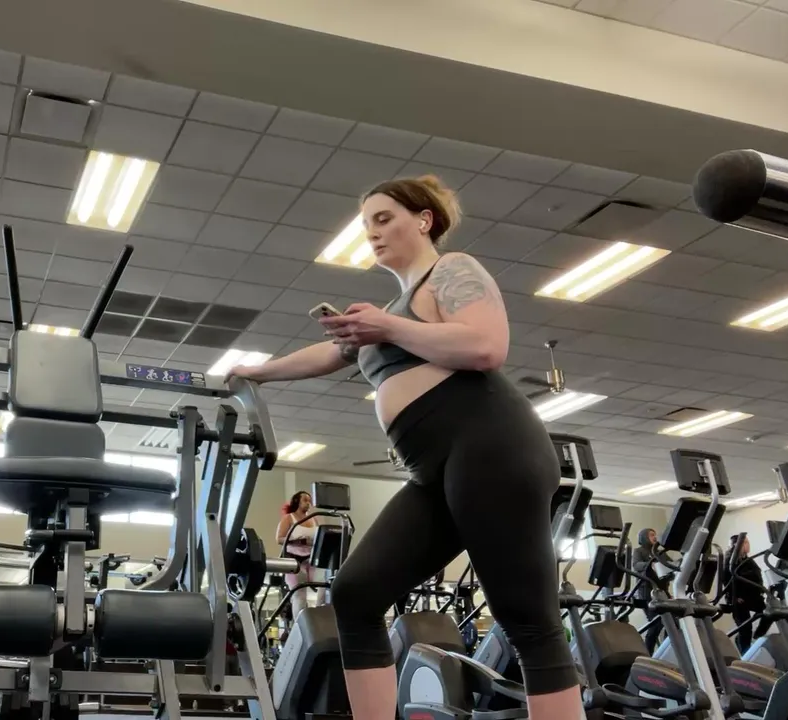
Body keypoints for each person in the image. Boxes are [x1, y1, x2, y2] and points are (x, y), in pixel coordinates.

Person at [227, 175, 582, 720]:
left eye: (383, 218)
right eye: (366, 224)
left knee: (527, 619)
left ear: (423, 219)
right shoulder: (388, 312)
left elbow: (487, 346)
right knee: (356, 593)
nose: (371, 232)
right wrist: (258, 372)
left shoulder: (452, 270)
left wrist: (388, 325)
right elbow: (329, 354)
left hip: (491, 446)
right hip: (432, 469)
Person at [276, 491, 326, 620]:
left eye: (309, 501)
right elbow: (279, 538)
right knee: (300, 595)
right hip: (294, 559)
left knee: (325, 585)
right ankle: (299, 624)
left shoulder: (314, 519)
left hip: (311, 559)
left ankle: (319, 615)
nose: (308, 503)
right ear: (297, 501)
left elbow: (319, 538)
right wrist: (298, 540)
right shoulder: (289, 518)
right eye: (305, 500)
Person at [725, 534, 769, 654]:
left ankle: (757, 635)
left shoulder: (747, 560)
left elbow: (756, 575)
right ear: (737, 545)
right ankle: (745, 654)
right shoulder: (730, 561)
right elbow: (726, 579)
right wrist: (734, 597)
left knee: (769, 613)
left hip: (753, 597)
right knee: (745, 628)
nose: (748, 545)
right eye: (746, 542)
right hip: (738, 599)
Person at [631, 527, 671, 653]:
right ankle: (648, 653)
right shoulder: (639, 551)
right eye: (651, 535)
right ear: (644, 537)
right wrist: (650, 564)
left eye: (655, 534)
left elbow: (670, 565)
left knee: (673, 623)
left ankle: (667, 651)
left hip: (662, 591)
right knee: (655, 624)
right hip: (647, 591)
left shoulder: (659, 552)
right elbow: (636, 565)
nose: (655, 537)